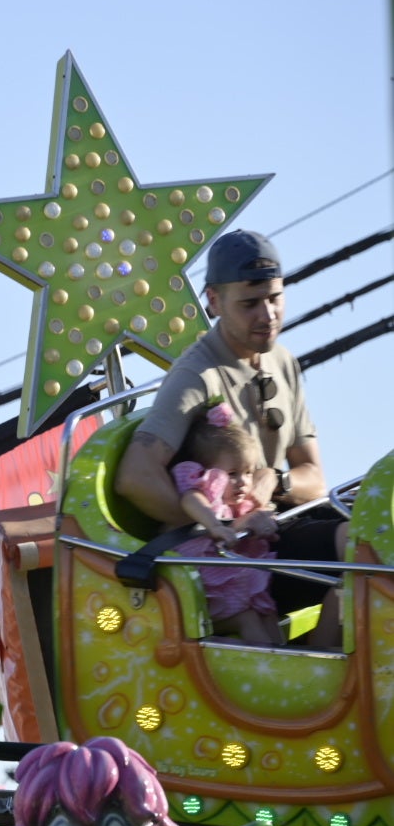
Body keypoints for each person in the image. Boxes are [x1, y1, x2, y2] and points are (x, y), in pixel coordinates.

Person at [117, 229, 346, 635]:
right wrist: (221, 531)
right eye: (250, 303)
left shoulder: (284, 362)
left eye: (275, 298)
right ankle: (328, 675)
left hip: (279, 530)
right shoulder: (196, 375)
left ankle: (332, 662)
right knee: (356, 543)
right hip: (242, 564)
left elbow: (314, 478)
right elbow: (136, 476)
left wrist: (273, 481)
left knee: (370, 528)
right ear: (214, 301)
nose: (268, 314)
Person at [170, 403, 281, 644]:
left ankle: (289, 657)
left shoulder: (239, 505)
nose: (242, 482)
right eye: (232, 474)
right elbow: (192, 499)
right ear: (208, 472)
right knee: (249, 618)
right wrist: (214, 525)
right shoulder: (207, 492)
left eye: (248, 472)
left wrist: (265, 530)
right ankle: (272, 669)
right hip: (207, 587)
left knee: (268, 613)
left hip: (236, 579)